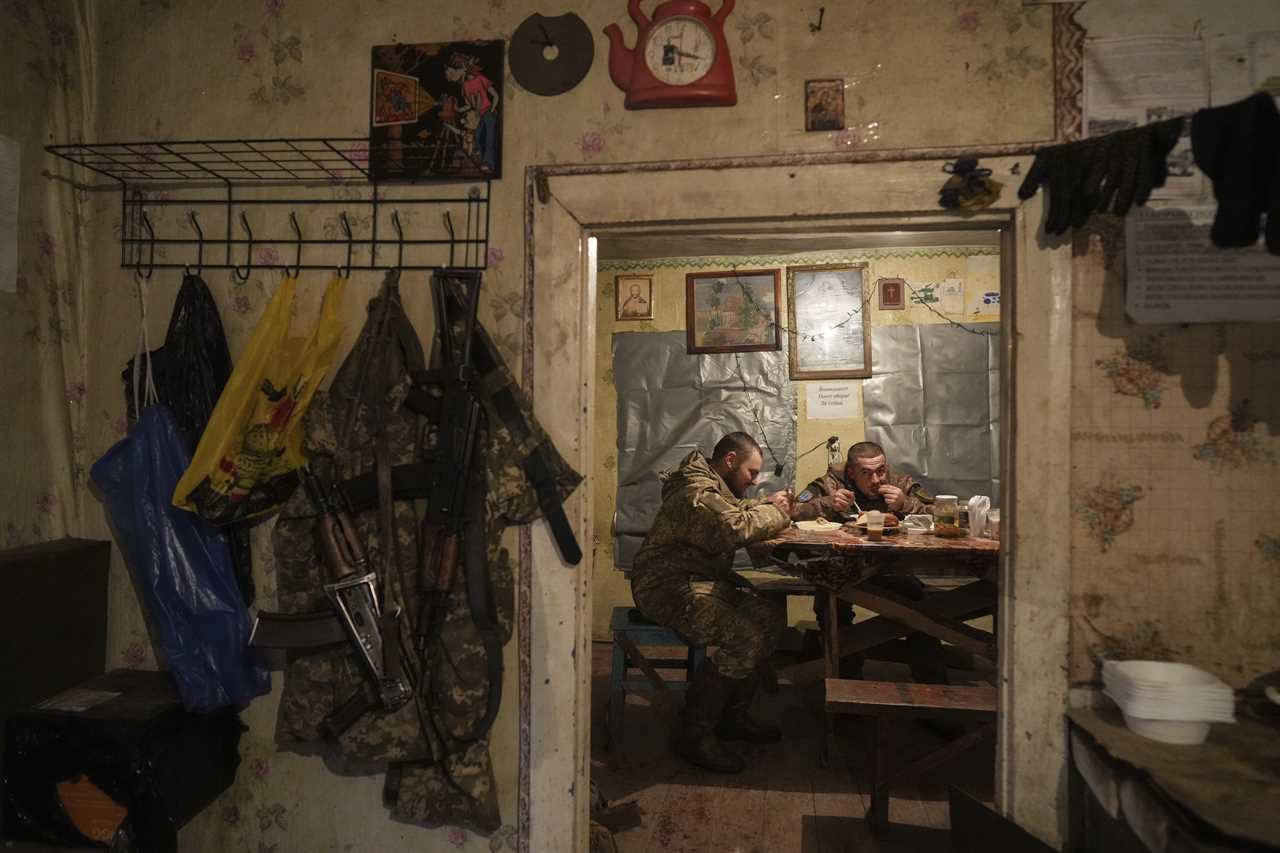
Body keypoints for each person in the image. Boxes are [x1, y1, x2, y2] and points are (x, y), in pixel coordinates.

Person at [630, 432, 793, 774]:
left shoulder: (715, 488)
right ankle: (693, 733)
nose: (753, 482)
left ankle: (732, 719)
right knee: (745, 637)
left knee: (770, 618)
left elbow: (740, 509)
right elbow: (733, 525)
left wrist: (772, 508)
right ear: (730, 461)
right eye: (751, 473)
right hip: (664, 588)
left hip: (697, 581)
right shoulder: (695, 492)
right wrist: (775, 514)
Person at [791, 441, 947, 684]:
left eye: (881, 471)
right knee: (828, 604)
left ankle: (933, 686)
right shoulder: (830, 484)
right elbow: (792, 510)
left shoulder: (900, 484)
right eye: (866, 473)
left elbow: (944, 512)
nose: (876, 480)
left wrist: (906, 504)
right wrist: (826, 503)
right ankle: (846, 681)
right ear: (851, 473)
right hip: (841, 570)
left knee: (920, 607)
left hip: (890, 568)